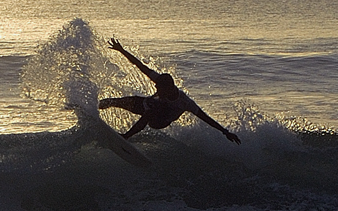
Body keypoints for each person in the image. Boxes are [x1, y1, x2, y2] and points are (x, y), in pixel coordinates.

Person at [99, 38, 241, 144]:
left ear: (168, 88)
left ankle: (126, 137)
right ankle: (93, 108)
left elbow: (205, 118)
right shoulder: (160, 81)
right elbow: (139, 65)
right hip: (149, 106)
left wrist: (225, 132)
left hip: (161, 120)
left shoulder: (184, 102)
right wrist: (121, 50)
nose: (156, 88)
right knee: (115, 101)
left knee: (152, 111)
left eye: (159, 88)